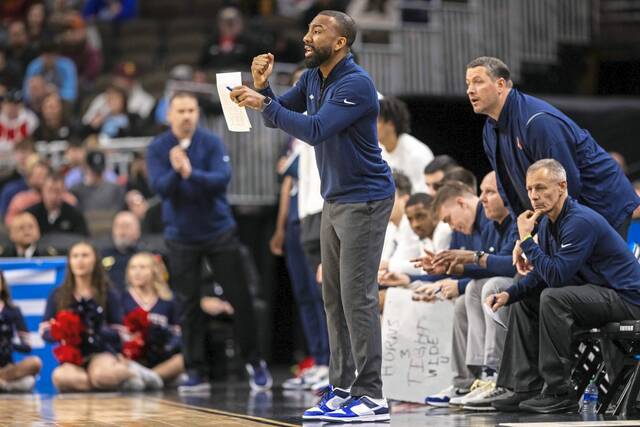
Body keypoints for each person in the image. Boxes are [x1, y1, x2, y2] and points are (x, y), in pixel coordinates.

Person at [229, 10, 394, 422]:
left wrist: (265, 102)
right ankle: (341, 388)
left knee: (357, 298)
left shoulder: (355, 83)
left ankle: (371, 394)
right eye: (308, 28)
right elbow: (280, 112)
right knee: (333, 299)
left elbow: (315, 129)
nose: (307, 36)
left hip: (367, 199)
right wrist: (262, 90)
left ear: (340, 42)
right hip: (334, 199)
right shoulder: (311, 78)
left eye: (317, 31)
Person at [485, 159, 640, 413]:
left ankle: (559, 391)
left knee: (554, 297)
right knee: (526, 302)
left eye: (541, 188)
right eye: (530, 189)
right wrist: (509, 294)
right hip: (600, 295)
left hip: (629, 299)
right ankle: (524, 386)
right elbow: (543, 274)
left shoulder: (580, 221)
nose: (534, 196)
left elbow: (556, 277)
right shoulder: (547, 223)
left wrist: (525, 239)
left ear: (562, 186)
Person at [146, 91, 271, 394]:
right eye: (181, 110)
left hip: (218, 232)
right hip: (181, 236)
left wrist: (191, 173)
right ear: (169, 115)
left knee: (240, 298)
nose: (187, 115)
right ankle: (195, 370)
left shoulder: (211, 142)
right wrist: (177, 173)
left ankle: (255, 362)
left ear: (197, 114)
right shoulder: (158, 147)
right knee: (187, 304)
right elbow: (160, 189)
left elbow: (221, 179)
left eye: (191, 110)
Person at [466, 56, 640, 238]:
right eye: (468, 83)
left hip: (602, 204)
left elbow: (566, 183)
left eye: (478, 82)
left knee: (590, 264)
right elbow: (507, 186)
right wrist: (524, 234)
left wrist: (554, 236)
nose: (470, 90)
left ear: (500, 85)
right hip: (572, 209)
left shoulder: (536, 122)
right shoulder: (490, 129)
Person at [422, 172, 517, 410]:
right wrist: (445, 270)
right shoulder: (483, 221)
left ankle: (492, 374)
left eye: (489, 192)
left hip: (521, 288)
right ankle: (467, 381)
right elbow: (485, 266)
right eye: (483, 193)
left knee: (481, 288)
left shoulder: (509, 218)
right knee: (469, 294)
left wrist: (464, 272)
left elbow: (508, 265)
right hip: (501, 286)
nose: (483, 199)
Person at [39, 241, 157, 392]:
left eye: (85, 255)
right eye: (75, 256)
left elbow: (121, 332)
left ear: (95, 260)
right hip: (73, 356)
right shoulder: (58, 294)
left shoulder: (107, 292)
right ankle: (113, 382)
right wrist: (63, 331)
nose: (80, 260)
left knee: (101, 375)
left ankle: (134, 372)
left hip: (101, 352)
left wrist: (95, 329)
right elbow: (44, 331)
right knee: (60, 377)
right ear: (69, 261)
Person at [122, 253, 185, 386]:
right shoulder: (122, 299)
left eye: (143, 267)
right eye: (133, 268)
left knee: (184, 359)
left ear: (154, 270)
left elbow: (179, 332)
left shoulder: (168, 299)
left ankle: (150, 377)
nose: (137, 272)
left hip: (161, 355)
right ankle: (160, 378)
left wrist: (168, 346)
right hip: (132, 357)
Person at [378, 97, 433, 193]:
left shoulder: (417, 153)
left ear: (390, 124)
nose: (369, 126)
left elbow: (424, 196)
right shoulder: (375, 151)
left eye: (376, 121)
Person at [0, 271, 42, 393]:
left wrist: (8, 344)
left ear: (2, 285)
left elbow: (27, 347)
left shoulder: (13, 311)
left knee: (35, 362)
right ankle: (6, 385)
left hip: (8, 368)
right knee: (26, 383)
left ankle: (4, 382)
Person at [102, 211, 144, 292]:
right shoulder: (102, 254)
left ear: (138, 231)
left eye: (127, 226)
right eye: (118, 226)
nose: (122, 231)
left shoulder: (146, 255)